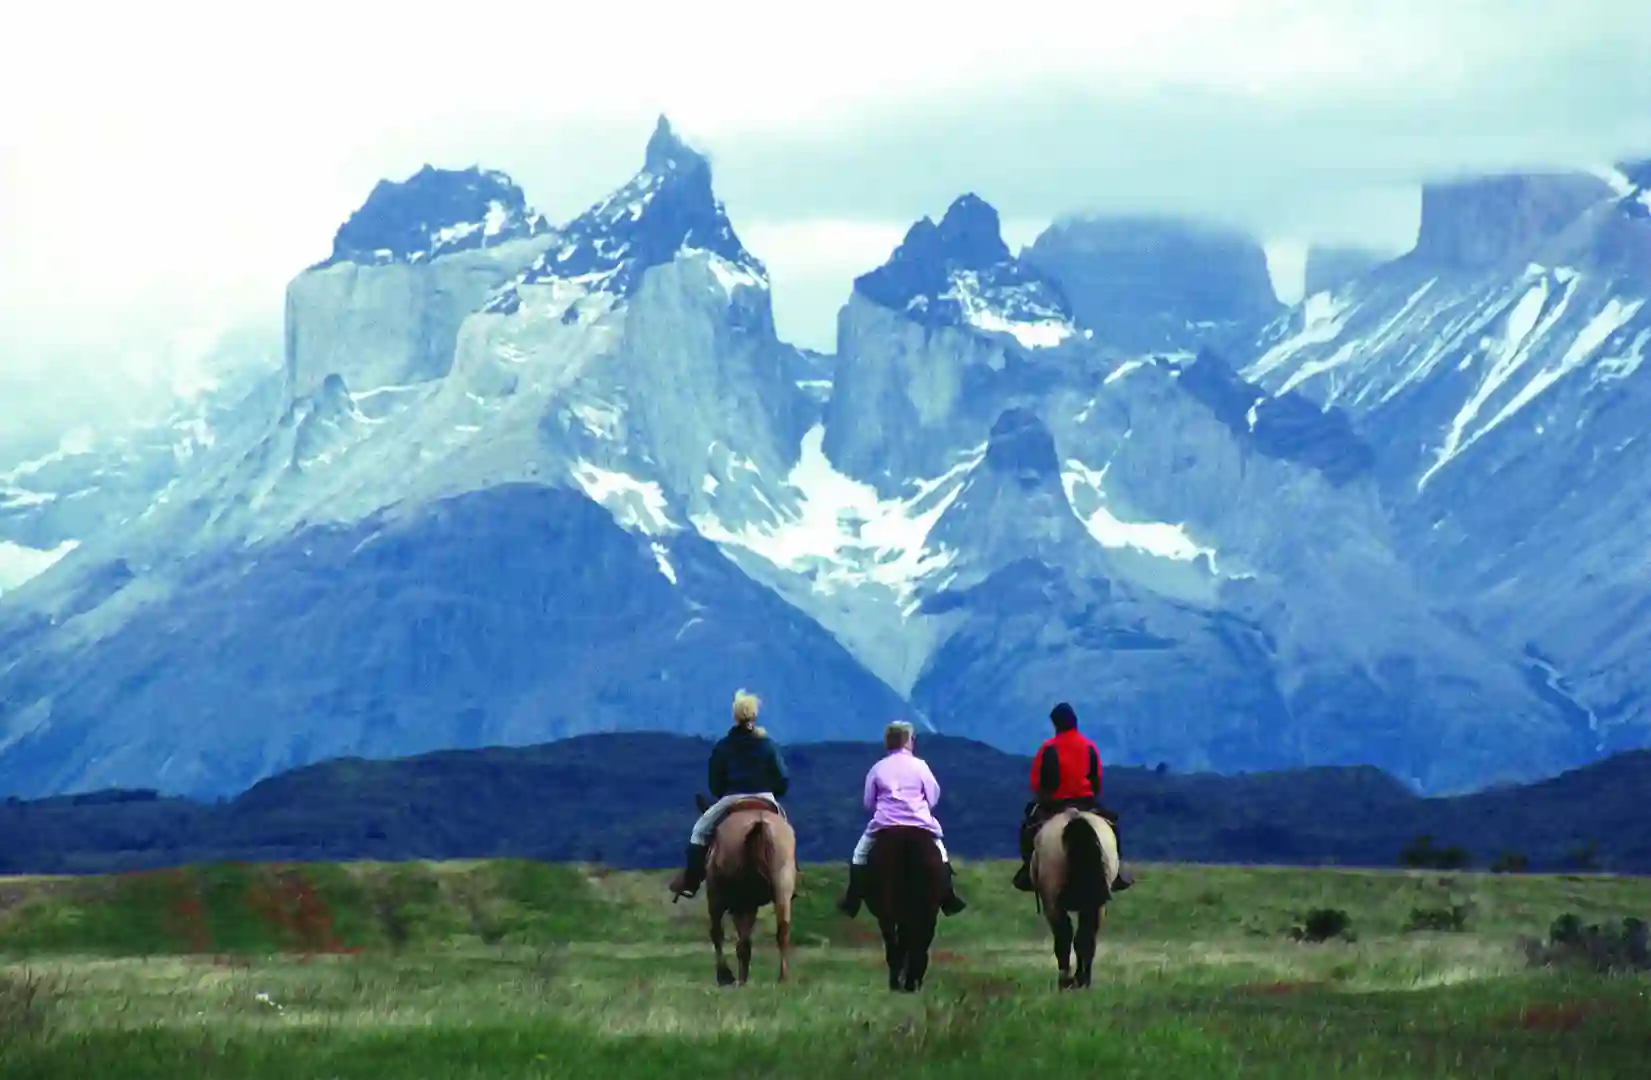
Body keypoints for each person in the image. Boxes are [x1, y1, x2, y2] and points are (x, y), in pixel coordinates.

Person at [668, 689, 791, 900]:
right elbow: (781, 777)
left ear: (735, 717)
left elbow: (715, 782)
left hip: (733, 797)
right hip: (765, 797)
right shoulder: (768, 745)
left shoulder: (724, 746)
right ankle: (790, 876)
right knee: (786, 833)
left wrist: (722, 793)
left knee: (699, 832)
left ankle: (692, 881)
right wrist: (775, 793)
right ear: (754, 716)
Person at [837, 721, 967, 918]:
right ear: (909, 741)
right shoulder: (921, 766)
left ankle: (852, 899)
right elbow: (933, 796)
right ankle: (948, 897)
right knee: (941, 856)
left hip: (884, 824)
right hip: (920, 824)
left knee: (859, 855)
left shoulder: (877, 768)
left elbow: (868, 802)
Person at [1011, 701, 1135, 893]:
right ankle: (1117, 871)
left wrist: (1045, 796)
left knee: (1028, 828)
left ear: (1055, 724)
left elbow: (1037, 781)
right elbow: (1097, 780)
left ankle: (1028, 870)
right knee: (1113, 826)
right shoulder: (1089, 747)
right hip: (1086, 802)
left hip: (1054, 805)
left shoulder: (1048, 748)